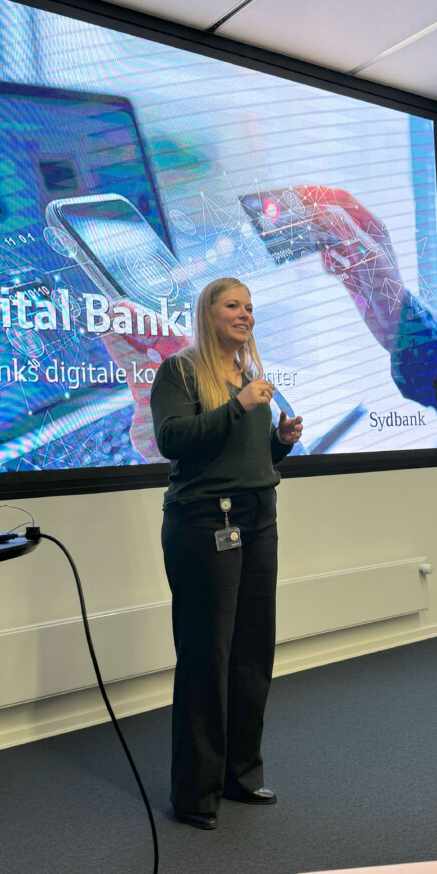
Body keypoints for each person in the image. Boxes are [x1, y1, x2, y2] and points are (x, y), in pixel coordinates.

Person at [149, 277, 303, 829]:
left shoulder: (247, 374)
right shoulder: (180, 371)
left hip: (259, 518)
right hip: (203, 522)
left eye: (250, 307)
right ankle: (196, 794)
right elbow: (172, 439)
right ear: (207, 313)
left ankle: (242, 775)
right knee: (206, 657)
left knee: (252, 652)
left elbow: (246, 456)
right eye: (233, 305)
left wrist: (279, 442)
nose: (245, 315)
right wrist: (238, 406)